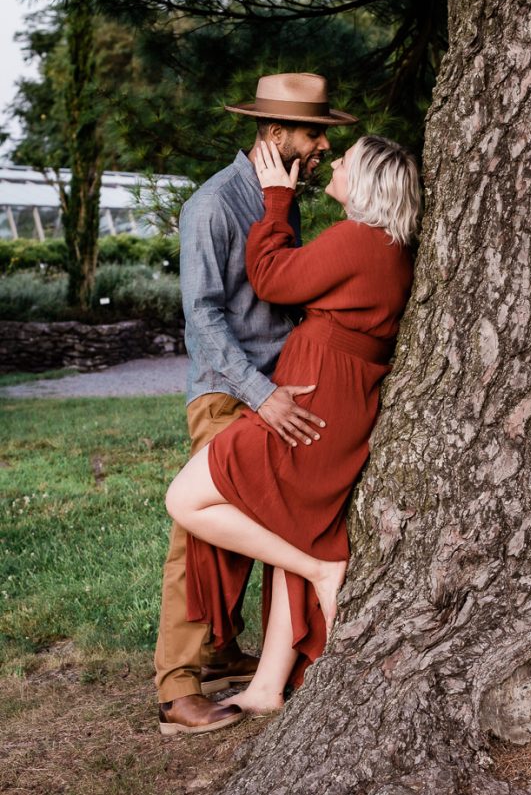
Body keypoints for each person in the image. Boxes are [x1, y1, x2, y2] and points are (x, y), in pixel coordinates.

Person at [164, 134, 421, 723]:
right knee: (292, 532)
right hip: (324, 398)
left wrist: (277, 201)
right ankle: (266, 686)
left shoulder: (360, 240)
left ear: (367, 183)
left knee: (186, 499)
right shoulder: (381, 245)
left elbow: (274, 280)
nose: (331, 159)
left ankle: (320, 569)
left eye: (346, 159)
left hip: (309, 404)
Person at [155, 72, 358, 735]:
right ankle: (178, 686)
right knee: (199, 530)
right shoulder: (212, 205)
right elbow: (204, 321)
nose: (323, 148)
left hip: (281, 388)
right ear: (275, 135)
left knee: (262, 523)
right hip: (230, 391)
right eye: (314, 135)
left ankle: (221, 651)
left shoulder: (282, 198)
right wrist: (263, 393)